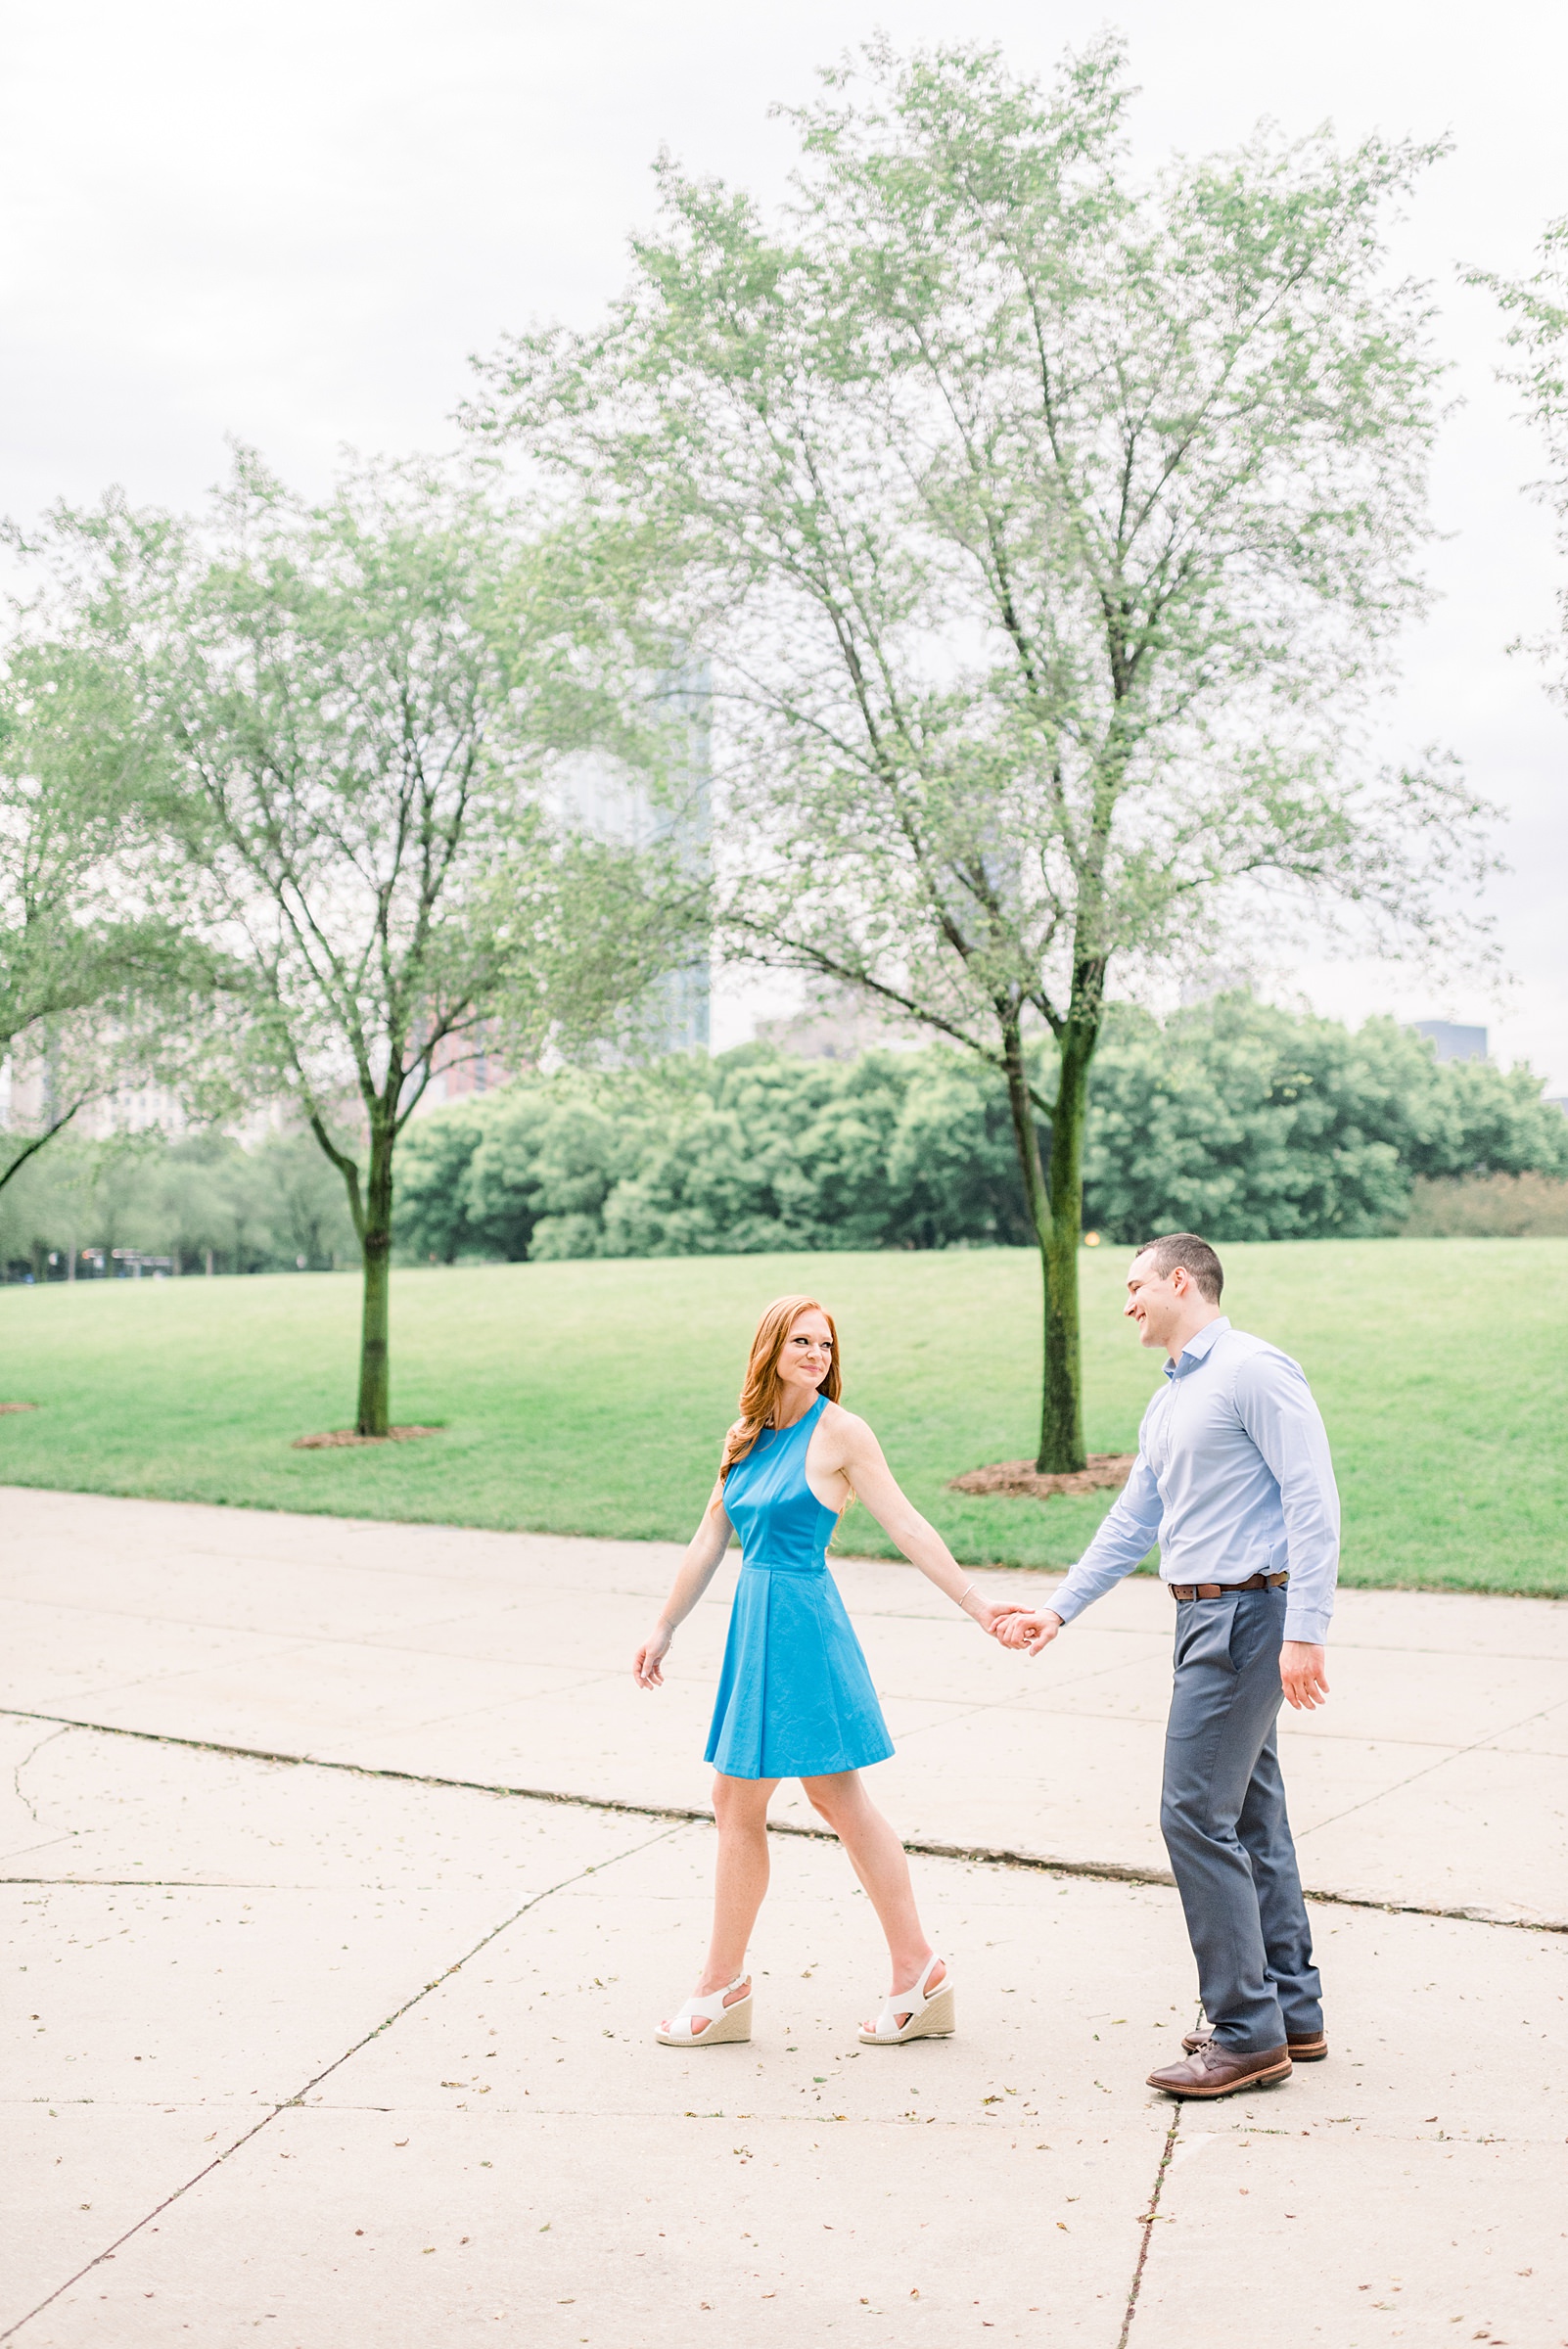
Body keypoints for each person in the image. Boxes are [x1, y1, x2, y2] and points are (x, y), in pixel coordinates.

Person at [997, 1232, 1338, 2100]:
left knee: (1191, 1815)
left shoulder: (1254, 1370)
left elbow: (1312, 1498)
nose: (1127, 1303)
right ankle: (1291, 2012)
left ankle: (1244, 2030)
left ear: (1181, 1281)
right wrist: (1059, 1607)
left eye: (1136, 1284)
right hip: (1202, 1618)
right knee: (1249, 1816)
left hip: (1247, 1617)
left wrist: (1307, 1629)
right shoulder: (1174, 1397)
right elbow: (1132, 1518)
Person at [632, 1292, 1010, 2050]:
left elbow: (906, 1522)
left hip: (803, 1625)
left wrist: (978, 1605)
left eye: (826, 1346)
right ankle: (751, 1984)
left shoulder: (841, 1432)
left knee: (833, 1798)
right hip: (755, 1624)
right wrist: (664, 1625)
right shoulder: (744, 1435)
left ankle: (897, 1975)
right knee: (740, 1800)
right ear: (770, 1347)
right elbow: (711, 1537)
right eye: (802, 1341)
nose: (815, 1355)